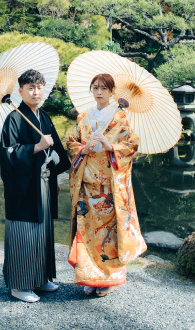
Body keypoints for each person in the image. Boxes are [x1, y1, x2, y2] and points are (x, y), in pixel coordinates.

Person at [66, 73, 146, 297]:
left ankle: (107, 279)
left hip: (109, 187)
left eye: (104, 88)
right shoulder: (84, 116)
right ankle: (89, 277)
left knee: (108, 235)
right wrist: (84, 148)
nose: (99, 92)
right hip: (87, 183)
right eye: (95, 87)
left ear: (112, 92)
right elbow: (70, 142)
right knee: (87, 232)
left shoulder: (120, 117)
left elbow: (131, 144)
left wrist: (110, 146)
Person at [0, 69, 71, 303]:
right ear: (20, 91)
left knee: (43, 232)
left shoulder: (44, 116)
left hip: (43, 182)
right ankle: (20, 285)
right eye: (30, 87)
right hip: (23, 188)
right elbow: (9, 155)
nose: (36, 91)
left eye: (39, 87)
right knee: (25, 233)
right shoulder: (14, 118)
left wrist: (54, 179)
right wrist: (36, 147)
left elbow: (57, 151)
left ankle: (40, 278)